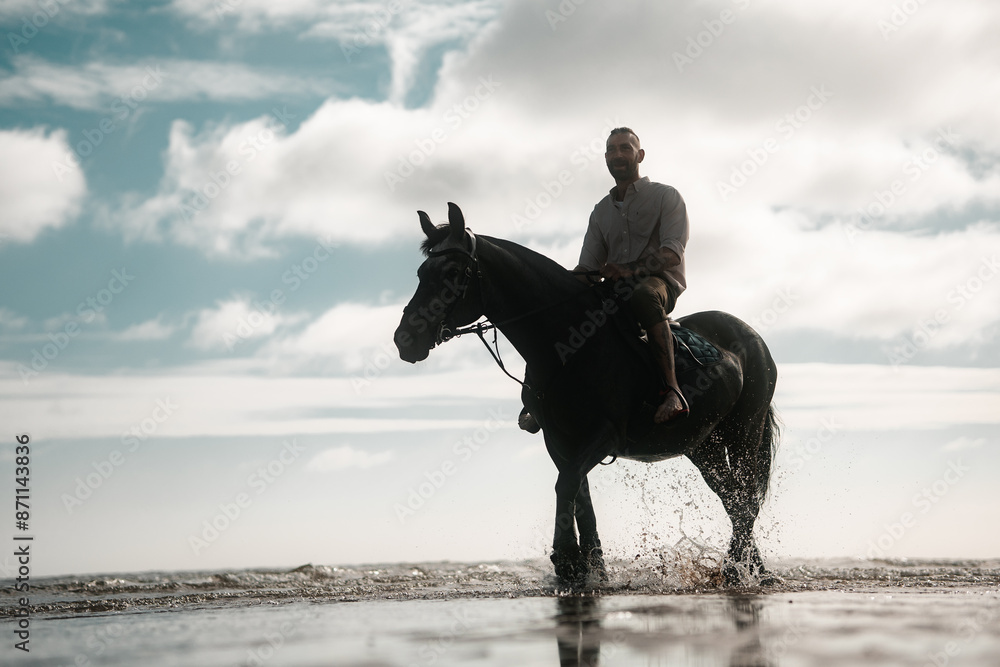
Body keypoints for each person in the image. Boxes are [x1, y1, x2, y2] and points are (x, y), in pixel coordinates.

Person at [574, 127, 690, 423]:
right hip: (614, 290)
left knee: (643, 294)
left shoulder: (666, 196)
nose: (618, 154)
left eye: (625, 148)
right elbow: (587, 269)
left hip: (659, 284)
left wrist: (627, 270)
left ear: (639, 155)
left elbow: (672, 254)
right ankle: (541, 396)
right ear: (606, 159)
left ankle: (672, 391)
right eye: (612, 150)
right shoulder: (600, 211)